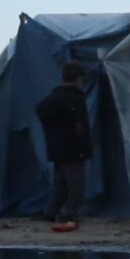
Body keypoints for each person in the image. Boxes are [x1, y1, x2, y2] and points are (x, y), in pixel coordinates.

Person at [35, 62, 92, 232]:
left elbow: (40, 111)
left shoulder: (55, 97)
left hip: (57, 148)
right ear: (79, 79)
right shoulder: (75, 97)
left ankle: (51, 212)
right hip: (72, 148)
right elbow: (80, 126)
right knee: (76, 184)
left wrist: (54, 131)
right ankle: (68, 214)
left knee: (60, 182)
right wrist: (85, 148)